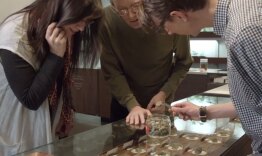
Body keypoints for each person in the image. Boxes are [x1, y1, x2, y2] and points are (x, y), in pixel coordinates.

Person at [140, 0, 262, 155]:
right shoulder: (239, 16)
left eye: (163, 26)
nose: (168, 32)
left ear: (178, 16)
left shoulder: (248, 31)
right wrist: (203, 112)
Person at [0, 0, 103, 155]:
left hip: (44, 123)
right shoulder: (14, 34)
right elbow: (31, 99)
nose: (82, 28)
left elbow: (62, 76)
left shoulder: (61, 28)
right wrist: (55, 55)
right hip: (16, 127)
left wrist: (66, 111)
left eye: (87, 21)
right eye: (81, 19)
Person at [99, 0, 192, 125]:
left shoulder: (168, 14)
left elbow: (184, 62)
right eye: (122, 11)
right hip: (124, 104)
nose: (131, 15)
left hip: (160, 104)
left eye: (136, 6)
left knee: (162, 142)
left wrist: (164, 93)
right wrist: (132, 104)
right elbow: (111, 71)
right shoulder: (106, 20)